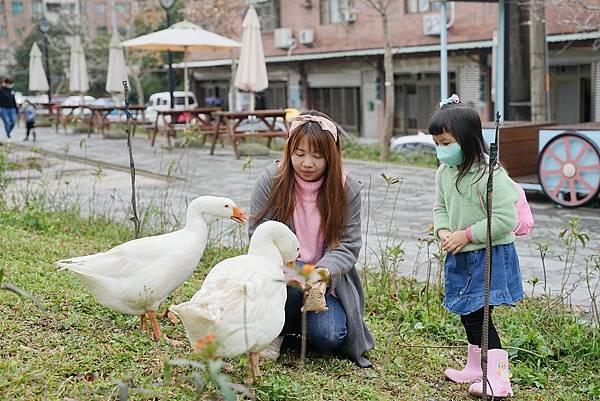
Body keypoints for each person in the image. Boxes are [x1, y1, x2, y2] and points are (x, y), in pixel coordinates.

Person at [249, 110, 374, 368]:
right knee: (291, 292)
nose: (307, 163)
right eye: (299, 154)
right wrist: (298, 273)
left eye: (318, 156)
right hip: (282, 273)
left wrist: (321, 274)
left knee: (329, 335)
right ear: (289, 151)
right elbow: (259, 234)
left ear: (331, 156)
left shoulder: (346, 188)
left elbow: (348, 246)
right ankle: (276, 331)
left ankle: (293, 323)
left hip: (324, 281)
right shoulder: (272, 180)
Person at [430, 94, 523, 398]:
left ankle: (499, 378)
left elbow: (505, 219)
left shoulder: (489, 174)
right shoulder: (445, 173)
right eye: (437, 144)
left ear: (468, 140)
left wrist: (466, 234)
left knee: (478, 315)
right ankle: (475, 367)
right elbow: (440, 208)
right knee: (467, 312)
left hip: (488, 255)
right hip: (460, 254)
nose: (440, 150)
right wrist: (443, 230)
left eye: (446, 143)